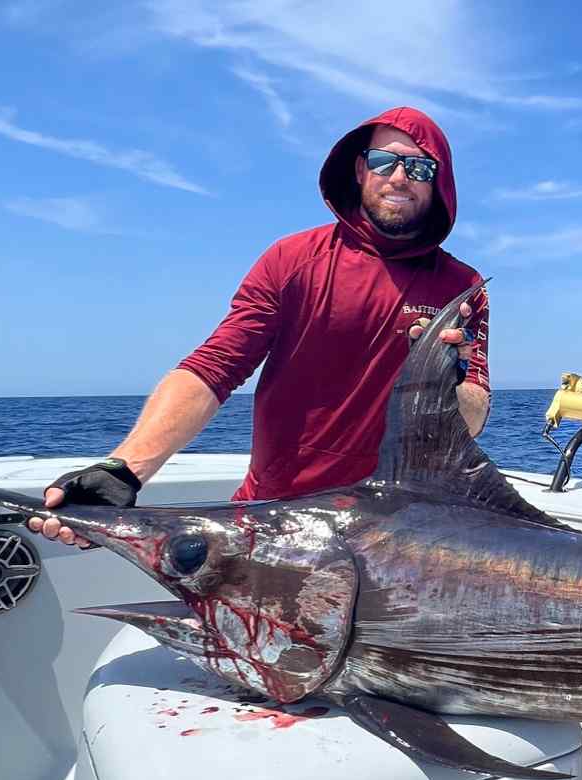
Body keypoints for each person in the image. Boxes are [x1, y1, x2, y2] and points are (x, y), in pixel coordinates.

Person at [29, 106, 488, 544]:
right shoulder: (292, 260)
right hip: (278, 519)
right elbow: (215, 367)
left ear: (440, 182)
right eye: (384, 161)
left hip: (397, 530)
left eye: (420, 168)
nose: (400, 177)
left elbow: (474, 418)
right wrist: (125, 468)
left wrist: (451, 379)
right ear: (359, 169)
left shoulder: (462, 286)